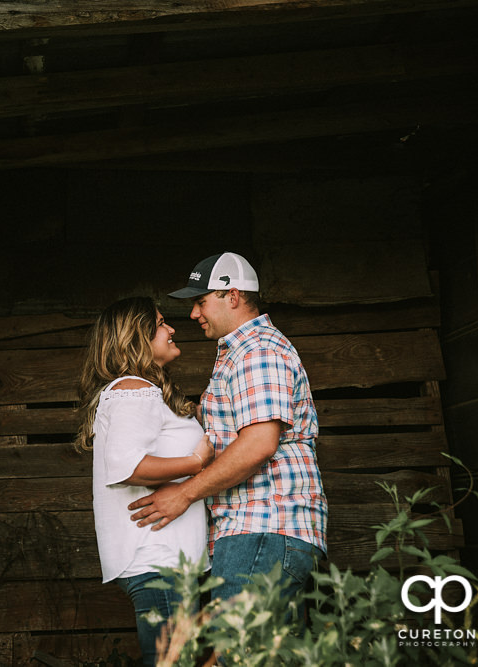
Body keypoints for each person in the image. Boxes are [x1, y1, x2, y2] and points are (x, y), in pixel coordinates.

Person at [128, 252, 327, 620]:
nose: (193, 314)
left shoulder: (258, 352)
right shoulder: (240, 354)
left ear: (232, 296)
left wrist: (183, 494)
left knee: (240, 652)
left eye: (201, 302)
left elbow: (258, 444)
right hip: (258, 531)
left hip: (265, 526)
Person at [75, 296, 213, 667]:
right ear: (137, 336)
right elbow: (127, 465)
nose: (171, 329)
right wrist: (197, 460)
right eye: (161, 323)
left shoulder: (142, 392)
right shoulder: (132, 390)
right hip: (157, 560)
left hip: (167, 561)